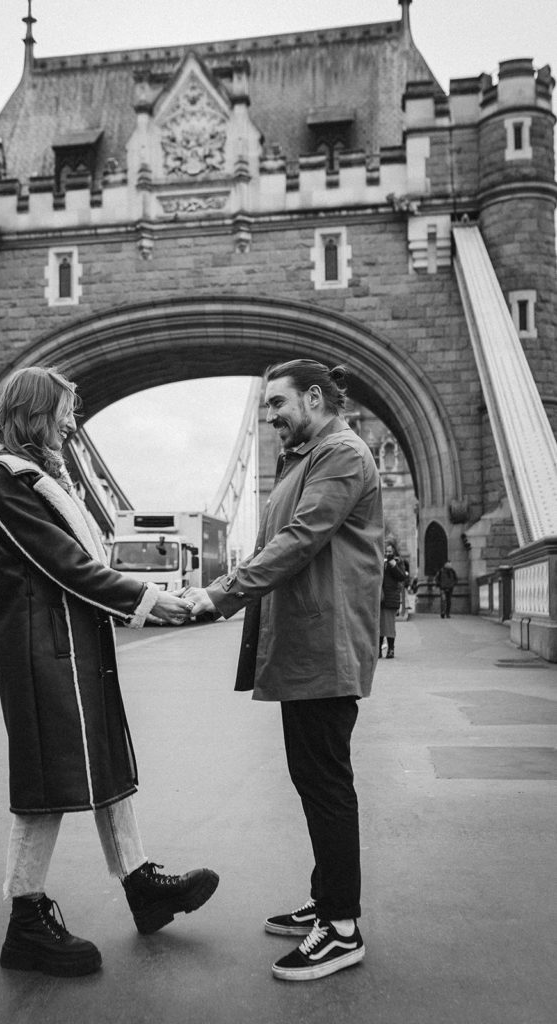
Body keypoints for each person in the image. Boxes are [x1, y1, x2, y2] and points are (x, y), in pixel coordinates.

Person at [0, 366, 218, 978]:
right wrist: (146, 598)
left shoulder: (40, 480)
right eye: (62, 410)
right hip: (41, 656)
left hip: (74, 646)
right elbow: (64, 566)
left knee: (106, 764)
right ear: (35, 413)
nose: (70, 421)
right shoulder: (3, 483)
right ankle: (26, 921)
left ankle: (142, 885)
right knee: (46, 782)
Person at [185, 358, 383, 982]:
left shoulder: (342, 455)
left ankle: (343, 927)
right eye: (267, 406)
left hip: (326, 646)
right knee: (311, 777)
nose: (269, 416)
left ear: (315, 398)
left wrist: (218, 593)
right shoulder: (305, 458)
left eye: (277, 403)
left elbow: (300, 540)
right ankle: (328, 900)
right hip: (303, 645)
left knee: (325, 782)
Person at [379, 542, 408, 659]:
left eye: (390, 551)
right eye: (386, 551)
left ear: (394, 552)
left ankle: (391, 649)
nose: (387, 553)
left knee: (389, 625)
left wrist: (394, 565)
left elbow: (402, 576)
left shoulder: (398, 562)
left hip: (391, 598)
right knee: (379, 625)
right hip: (380, 597)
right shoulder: (381, 561)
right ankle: (379, 651)